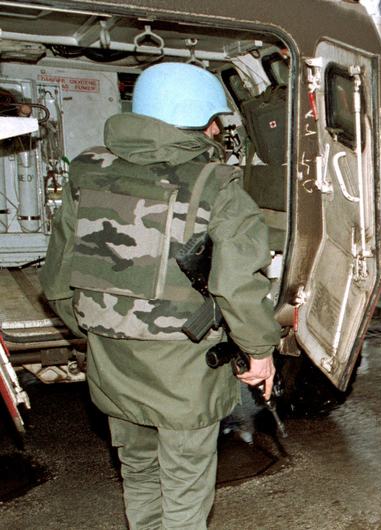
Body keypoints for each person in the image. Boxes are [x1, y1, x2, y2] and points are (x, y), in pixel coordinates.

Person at [40, 62, 280, 529]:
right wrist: (260, 352)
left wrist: (100, 329)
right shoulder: (218, 186)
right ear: (203, 120)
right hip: (184, 372)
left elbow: (57, 280)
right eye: (215, 119)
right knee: (186, 489)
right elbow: (237, 288)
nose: (216, 129)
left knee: (140, 472)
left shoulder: (87, 172)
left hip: (113, 364)